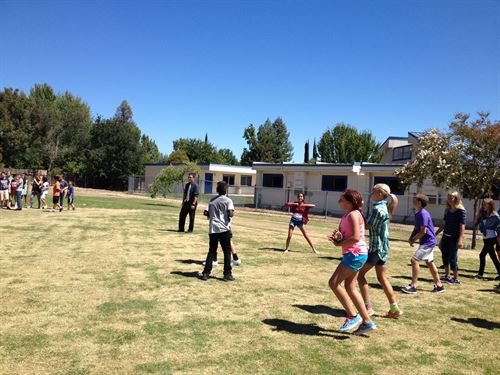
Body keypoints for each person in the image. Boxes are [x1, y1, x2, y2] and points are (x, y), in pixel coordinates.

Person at [328, 189, 376, 335]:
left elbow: (355, 238)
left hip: (354, 254)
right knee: (350, 286)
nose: (339, 202)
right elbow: (350, 235)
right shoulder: (350, 215)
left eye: (341, 199)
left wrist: (339, 244)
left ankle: (353, 316)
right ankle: (367, 322)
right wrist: (339, 237)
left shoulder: (354, 215)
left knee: (334, 283)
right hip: (355, 253)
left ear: (350, 202)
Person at [357, 183, 402, 318]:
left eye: (374, 191)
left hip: (376, 248)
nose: (371, 193)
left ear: (381, 194)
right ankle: (394, 308)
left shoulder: (377, 209)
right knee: (382, 278)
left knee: (360, 276)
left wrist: (357, 212)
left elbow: (367, 226)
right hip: (383, 248)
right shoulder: (384, 208)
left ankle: (367, 307)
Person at [402, 194, 445, 294]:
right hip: (427, 241)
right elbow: (417, 228)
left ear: (419, 202)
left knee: (414, 260)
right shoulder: (418, 213)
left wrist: (414, 239)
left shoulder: (423, 214)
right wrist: (411, 238)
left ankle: (413, 286)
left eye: (415, 200)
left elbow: (423, 231)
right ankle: (439, 286)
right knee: (429, 262)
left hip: (428, 242)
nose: (413, 201)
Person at [200, 181, 235, 281]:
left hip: (213, 229)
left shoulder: (212, 200)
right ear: (226, 190)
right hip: (224, 228)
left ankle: (206, 273)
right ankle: (227, 274)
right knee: (227, 252)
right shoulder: (228, 201)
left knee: (212, 251)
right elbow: (230, 213)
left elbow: (206, 212)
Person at [435, 191, 466, 284]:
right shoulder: (447, 210)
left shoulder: (461, 211)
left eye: (451, 198)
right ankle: (447, 276)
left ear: (456, 199)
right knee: (445, 257)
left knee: (452, 258)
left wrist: (460, 239)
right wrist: (435, 233)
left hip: (454, 238)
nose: (449, 199)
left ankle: (456, 278)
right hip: (445, 236)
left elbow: (462, 226)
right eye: (448, 197)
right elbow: (443, 224)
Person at [474, 198, 500, 280]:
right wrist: (478, 214)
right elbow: (476, 224)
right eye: (483, 204)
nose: (484, 206)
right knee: (492, 256)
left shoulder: (495, 215)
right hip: (486, 238)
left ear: (490, 205)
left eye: (485, 204)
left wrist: (497, 232)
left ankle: (480, 274)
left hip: (491, 237)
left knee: (483, 255)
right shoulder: (483, 215)